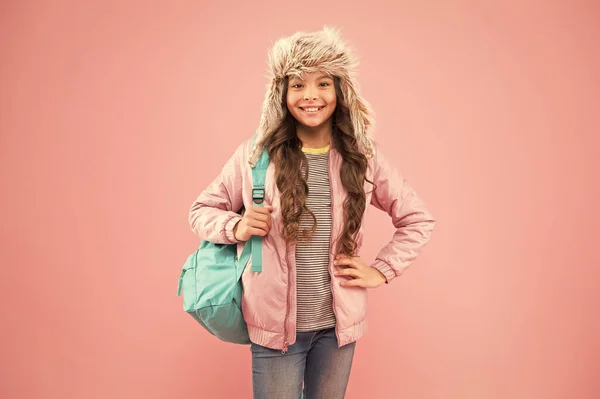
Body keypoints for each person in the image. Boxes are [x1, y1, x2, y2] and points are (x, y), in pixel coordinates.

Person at [188, 25, 436, 399]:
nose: (311, 96)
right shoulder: (256, 156)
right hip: (274, 331)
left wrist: (381, 271)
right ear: (282, 93)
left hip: (337, 330)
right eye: (298, 84)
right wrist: (236, 226)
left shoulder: (363, 157)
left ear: (340, 91)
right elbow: (201, 210)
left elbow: (417, 219)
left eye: (323, 83)